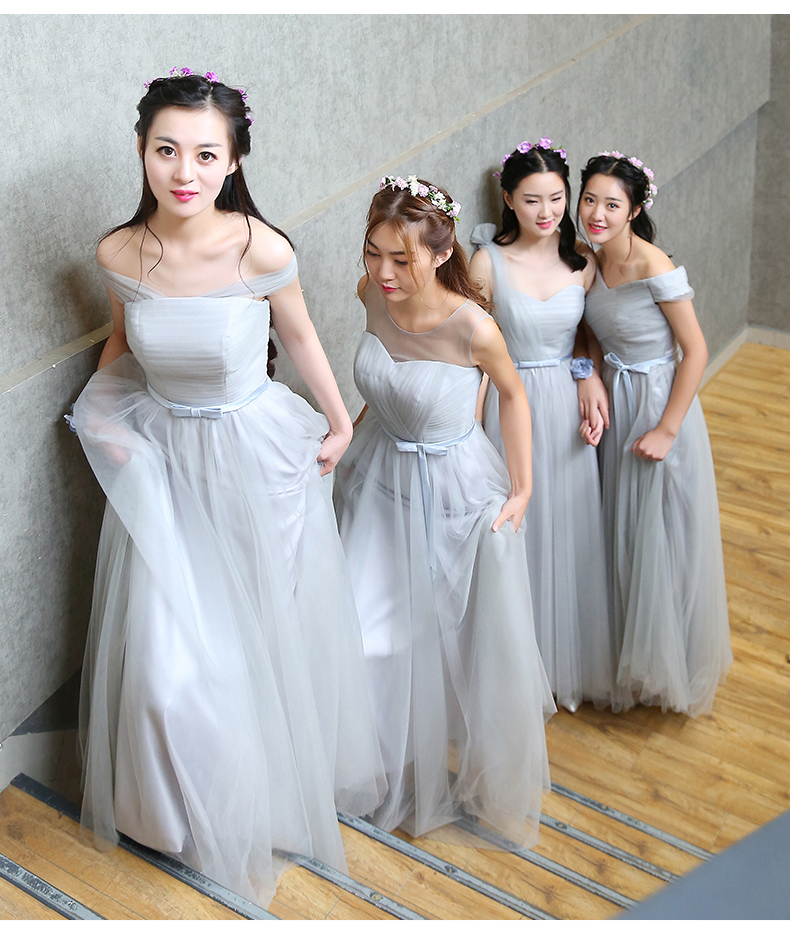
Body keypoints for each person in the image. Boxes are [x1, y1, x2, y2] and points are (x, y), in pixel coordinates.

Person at [70, 68, 385, 906]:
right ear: (142, 150)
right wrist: (101, 420)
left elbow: (302, 338)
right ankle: (175, 815)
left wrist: (340, 422)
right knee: (168, 661)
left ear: (235, 159)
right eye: (167, 150)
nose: (186, 172)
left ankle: (266, 799)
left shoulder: (260, 249)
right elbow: (120, 345)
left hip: (253, 461)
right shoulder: (119, 253)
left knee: (255, 640)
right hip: (164, 462)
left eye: (207, 154)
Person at [333, 175, 554, 847]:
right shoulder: (372, 294)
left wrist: (522, 488)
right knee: (360, 632)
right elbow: (384, 381)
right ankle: (367, 767)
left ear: (439, 251)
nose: (384, 273)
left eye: (401, 259)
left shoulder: (473, 327)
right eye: (374, 253)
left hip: (451, 488)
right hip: (377, 476)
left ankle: (435, 760)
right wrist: (348, 439)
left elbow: (512, 395)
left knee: (446, 638)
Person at [577, 151, 732, 716]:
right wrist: (590, 373)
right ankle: (629, 651)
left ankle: (674, 661)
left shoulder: (653, 265)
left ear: (635, 210)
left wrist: (668, 429)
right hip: (616, 399)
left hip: (658, 400)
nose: (596, 214)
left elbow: (697, 350)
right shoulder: (589, 260)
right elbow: (591, 332)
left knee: (663, 528)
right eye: (589, 200)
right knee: (624, 526)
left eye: (611, 204)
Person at [470, 139, 621, 713]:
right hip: (509, 404)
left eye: (557, 198)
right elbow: (472, 350)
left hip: (564, 405)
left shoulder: (582, 260)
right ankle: (512, 670)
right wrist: (470, 423)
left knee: (568, 527)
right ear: (508, 199)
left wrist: (587, 374)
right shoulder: (487, 262)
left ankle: (563, 664)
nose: (546, 211)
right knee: (515, 527)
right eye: (532, 200)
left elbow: (589, 333)